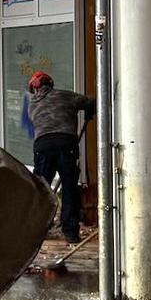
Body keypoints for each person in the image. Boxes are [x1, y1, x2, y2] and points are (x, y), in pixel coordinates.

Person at [26, 71, 94, 243]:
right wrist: (90, 110)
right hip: (66, 143)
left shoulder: (32, 104)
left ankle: (37, 229)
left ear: (35, 87)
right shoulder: (65, 95)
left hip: (42, 147)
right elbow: (89, 102)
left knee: (41, 190)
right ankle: (70, 232)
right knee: (70, 188)